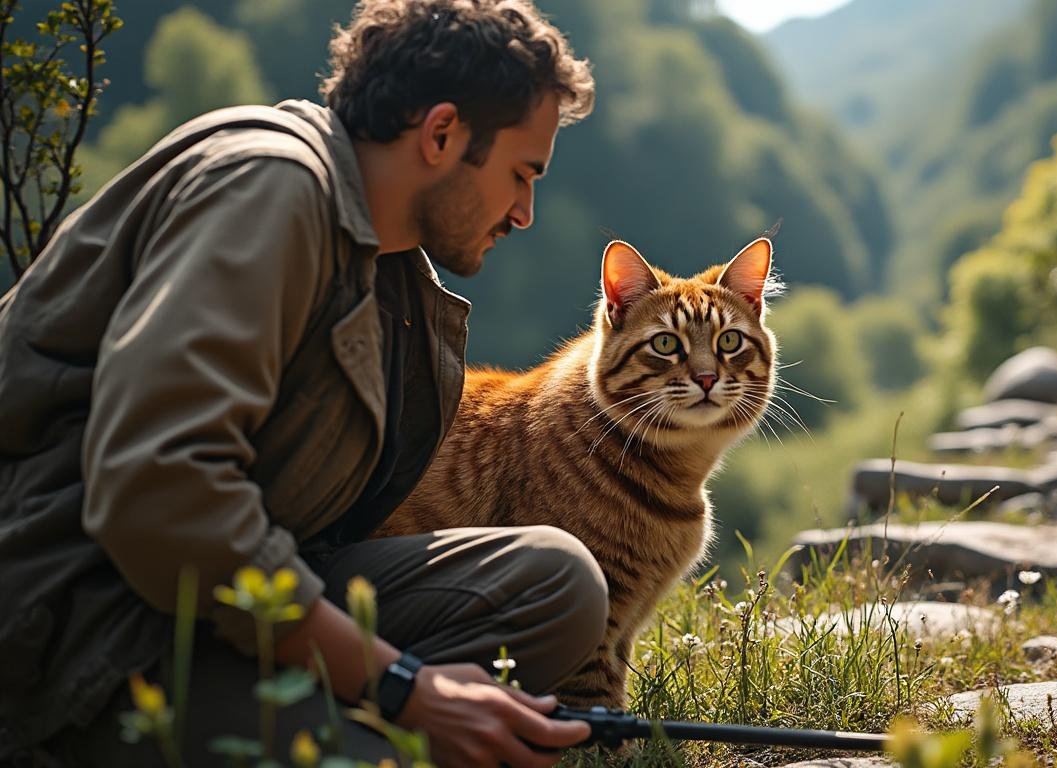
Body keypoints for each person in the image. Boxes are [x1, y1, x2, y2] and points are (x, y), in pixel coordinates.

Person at [0, 1, 606, 765]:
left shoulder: (388, 266)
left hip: (235, 598)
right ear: (442, 133)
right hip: (85, 625)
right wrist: (401, 687)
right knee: (372, 759)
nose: (524, 212)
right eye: (522, 173)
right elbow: (161, 487)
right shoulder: (268, 188)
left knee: (558, 582)